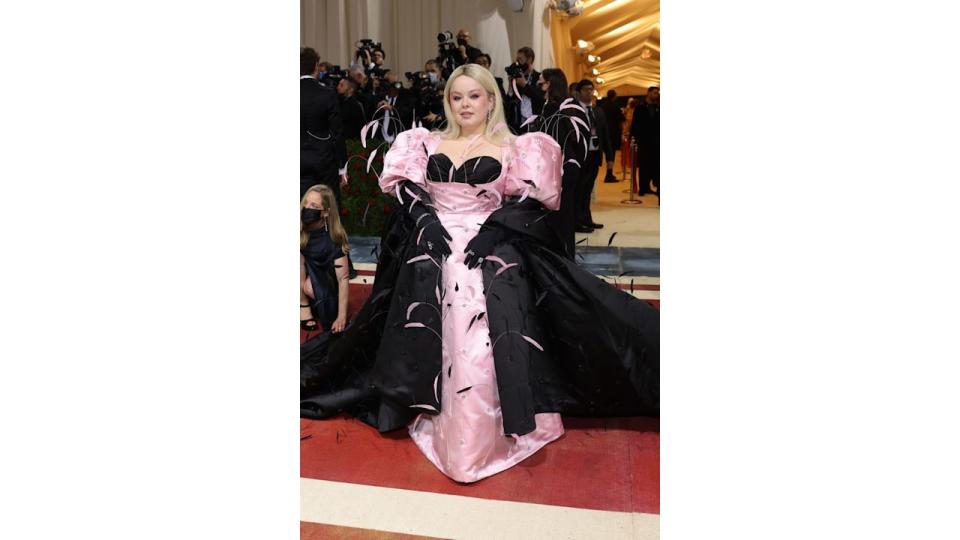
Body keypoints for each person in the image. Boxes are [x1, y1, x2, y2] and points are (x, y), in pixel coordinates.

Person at [301, 64, 659, 484]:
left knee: (477, 296)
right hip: (431, 243)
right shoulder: (425, 141)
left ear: (491, 99)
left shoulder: (518, 146)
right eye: (457, 97)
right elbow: (405, 188)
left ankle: (481, 436)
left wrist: (493, 231)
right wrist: (425, 220)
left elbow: (530, 201)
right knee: (438, 286)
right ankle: (435, 414)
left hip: (491, 242)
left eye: (474, 96)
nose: (465, 104)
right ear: (448, 102)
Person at [534, 68, 587, 260]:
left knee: (562, 215)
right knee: (556, 215)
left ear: (550, 83)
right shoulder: (550, 105)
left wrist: (572, 161)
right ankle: (559, 260)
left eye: (541, 82)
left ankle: (564, 262)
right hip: (554, 168)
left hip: (563, 168)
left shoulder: (563, 106)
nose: (538, 85)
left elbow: (579, 137)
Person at [300, 184, 350, 334]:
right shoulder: (300, 229)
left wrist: (342, 316)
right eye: (306, 203)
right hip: (304, 276)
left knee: (310, 287)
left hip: (325, 285)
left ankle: (314, 302)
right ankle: (303, 306)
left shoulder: (334, 239)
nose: (307, 208)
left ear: (326, 213)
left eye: (314, 205)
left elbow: (343, 279)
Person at [301, 47, 346, 201]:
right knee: (328, 207)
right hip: (324, 161)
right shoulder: (327, 94)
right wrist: (342, 167)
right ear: (315, 67)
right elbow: (337, 132)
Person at [573, 79, 612, 232]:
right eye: (586, 89)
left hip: (594, 156)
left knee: (588, 190)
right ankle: (577, 221)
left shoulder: (598, 111)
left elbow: (605, 135)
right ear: (579, 92)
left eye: (591, 89)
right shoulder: (575, 111)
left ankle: (586, 218)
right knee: (579, 189)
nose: (589, 92)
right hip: (580, 156)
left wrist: (609, 157)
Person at [631, 86, 659, 200]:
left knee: (656, 164)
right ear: (648, 93)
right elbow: (635, 122)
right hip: (644, 140)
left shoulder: (659, 107)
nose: (656, 94)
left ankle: (657, 186)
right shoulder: (640, 107)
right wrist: (635, 137)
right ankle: (643, 187)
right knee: (643, 164)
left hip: (657, 140)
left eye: (657, 93)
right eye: (654, 92)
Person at [506, 47, 544, 129]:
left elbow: (540, 98)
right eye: (517, 59)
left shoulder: (539, 77)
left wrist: (524, 85)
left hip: (535, 123)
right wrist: (510, 85)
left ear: (529, 59)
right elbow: (509, 100)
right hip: (518, 123)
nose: (517, 62)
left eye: (520, 59)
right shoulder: (517, 78)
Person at [598, 90, 626, 183]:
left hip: (602, 133)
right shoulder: (616, 106)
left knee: (603, 152)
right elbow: (622, 119)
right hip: (613, 133)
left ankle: (607, 174)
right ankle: (609, 174)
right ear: (614, 96)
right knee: (611, 153)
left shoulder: (602, 106)